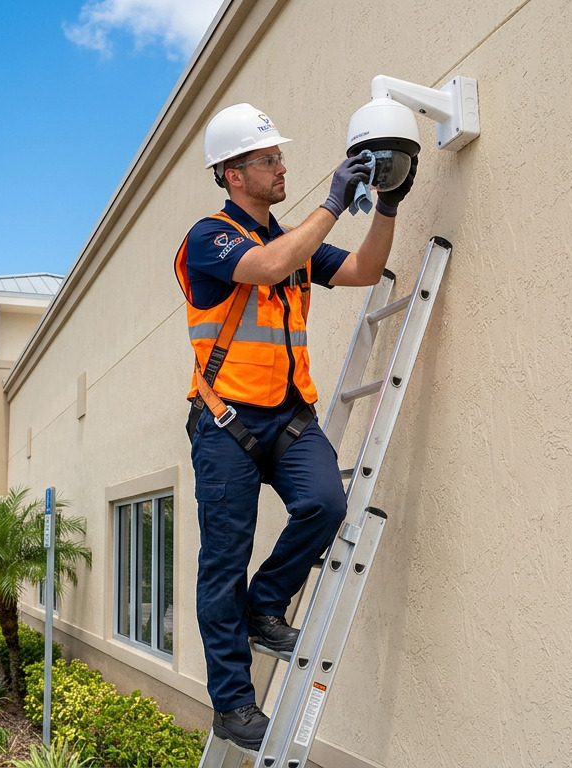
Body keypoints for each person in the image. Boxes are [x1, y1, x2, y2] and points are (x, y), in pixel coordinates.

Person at [173, 103, 417, 750]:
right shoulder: (209, 238)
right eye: (267, 159)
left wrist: (388, 204)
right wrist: (334, 202)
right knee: (223, 563)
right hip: (225, 422)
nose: (281, 166)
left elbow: (363, 270)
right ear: (231, 174)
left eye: (279, 156)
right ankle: (232, 704)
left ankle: (266, 606)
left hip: (285, 415)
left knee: (326, 503)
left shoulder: (294, 240)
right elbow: (266, 267)